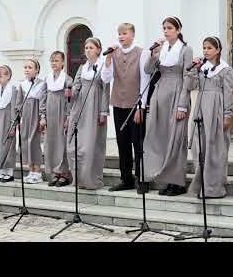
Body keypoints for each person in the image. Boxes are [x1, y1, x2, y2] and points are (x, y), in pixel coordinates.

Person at [143, 16, 193, 196]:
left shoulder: (186, 50)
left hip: (177, 92)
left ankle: (178, 182)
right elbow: (148, 70)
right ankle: (166, 179)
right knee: (162, 137)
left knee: (176, 138)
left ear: (178, 30)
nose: (166, 31)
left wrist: (182, 105)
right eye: (164, 28)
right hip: (160, 93)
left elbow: (188, 77)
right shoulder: (161, 50)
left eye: (170, 28)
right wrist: (153, 53)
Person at [101, 23, 151, 191]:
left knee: (138, 144)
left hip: (135, 105)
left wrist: (141, 106)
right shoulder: (113, 54)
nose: (121, 36)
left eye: (124, 33)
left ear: (132, 35)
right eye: (119, 34)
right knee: (122, 144)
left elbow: (145, 80)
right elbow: (106, 79)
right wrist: (107, 60)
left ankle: (142, 178)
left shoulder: (142, 53)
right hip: (118, 104)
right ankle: (126, 178)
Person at [187, 37, 233, 199]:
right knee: (199, 147)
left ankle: (214, 188)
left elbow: (228, 93)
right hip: (201, 108)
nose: (206, 51)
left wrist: (227, 115)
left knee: (215, 148)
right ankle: (201, 184)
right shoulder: (201, 68)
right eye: (204, 48)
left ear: (218, 50)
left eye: (209, 48)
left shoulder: (225, 69)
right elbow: (191, 86)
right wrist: (194, 69)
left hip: (216, 109)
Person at [67, 38, 110, 189]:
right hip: (79, 107)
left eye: (91, 47)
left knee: (90, 145)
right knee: (74, 146)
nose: (88, 50)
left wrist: (104, 111)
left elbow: (106, 90)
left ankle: (91, 179)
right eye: (86, 47)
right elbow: (76, 87)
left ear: (98, 50)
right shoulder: (82, 68)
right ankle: (79, 179)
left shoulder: (104, 66)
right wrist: (71, 91)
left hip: (95, 106)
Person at [39, 51, 73, 187]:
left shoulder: (68, 79)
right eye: (52, 60)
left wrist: (68, 116)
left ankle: (64, 174)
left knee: (61, 143)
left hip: (62, 114)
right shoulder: (47, 79)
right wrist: (42, 116)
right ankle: (54, 173)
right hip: (49, 114)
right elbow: (43, 98)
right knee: (50, 144)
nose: (54, 63)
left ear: (63, 62)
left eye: (57, 60)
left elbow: (70, 100)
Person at [16, 59, 46, 184]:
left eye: (30, 67)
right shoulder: (22, 84)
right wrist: (19, 119)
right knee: (25, 142)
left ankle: (38, 172)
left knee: (34, 142)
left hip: (36, 115)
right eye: (25, 67)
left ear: (37, 70)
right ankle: (31, 170)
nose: (27, 70)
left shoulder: (42, 84)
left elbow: (44, 101)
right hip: (26, 117)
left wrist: (43, 117)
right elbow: (19, 103)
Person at [0, 65, 17, 183]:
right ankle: (2, 172)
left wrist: (13, 125)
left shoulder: (13, 90)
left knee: (9, 147)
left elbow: (14, 109)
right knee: (0, 147)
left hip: (8, 122)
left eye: (1, 76)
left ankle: (9, 173)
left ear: (8, 76)